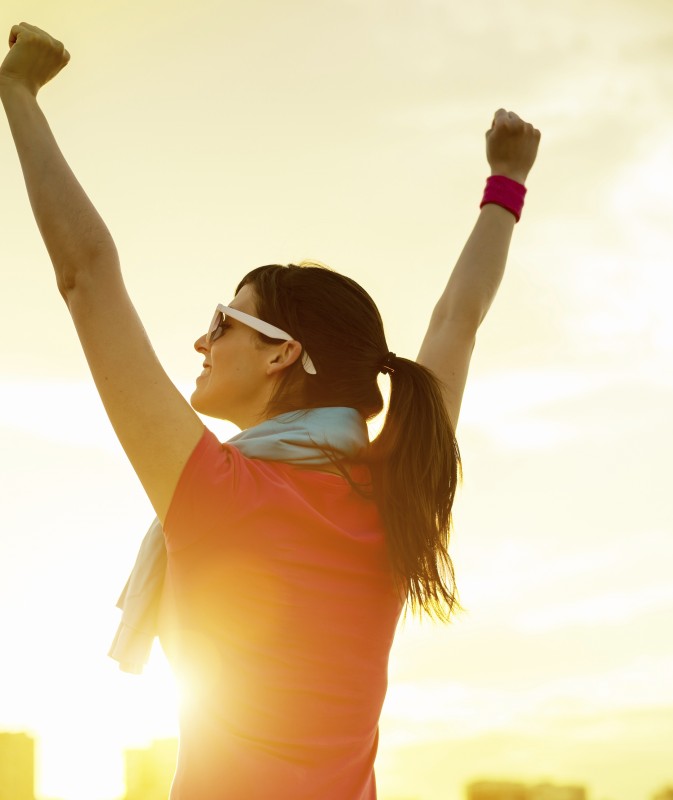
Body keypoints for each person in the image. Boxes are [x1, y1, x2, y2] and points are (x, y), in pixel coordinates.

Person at [0, 21, 541, 800]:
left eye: (224, 319)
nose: (200, 339)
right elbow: (459, 322)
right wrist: (508, 184)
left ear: (283, 353)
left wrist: (18, 94)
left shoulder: (219, 495)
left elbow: (86, 275)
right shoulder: (396, 491)